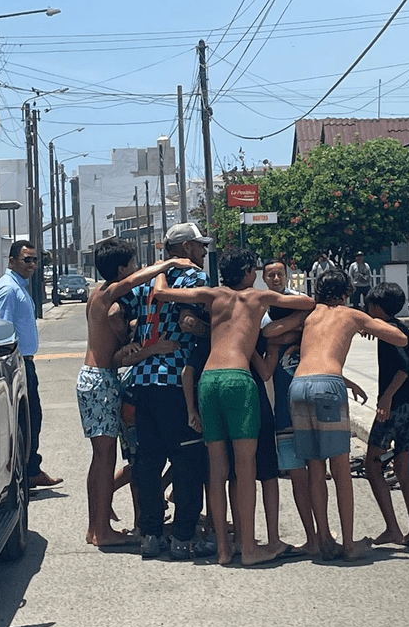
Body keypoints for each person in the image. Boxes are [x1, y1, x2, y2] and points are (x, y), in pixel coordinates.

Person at [153, 247, 316, 566]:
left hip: (209, 380)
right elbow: (307, 303)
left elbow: (161, 294)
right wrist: (281, 329)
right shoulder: (257, 298)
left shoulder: (211, 295)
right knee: (245, 468)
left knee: (217, 470)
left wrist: (164, 265)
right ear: (246, 273)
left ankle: (225, 550)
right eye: (253, 269)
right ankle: (250, 548)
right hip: (238, 379)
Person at [288, 268, 407, 561]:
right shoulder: (350, 314)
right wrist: (369, 323)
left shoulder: (310, 315)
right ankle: (350, 545)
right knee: (340, 469)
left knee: (315, 468)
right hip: (328, 384)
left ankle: (324, 539)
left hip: (299, 385)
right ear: (346, 293)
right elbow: (400, 339)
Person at [118, 222, 215, 560]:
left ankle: (151, 534)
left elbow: (123, 315)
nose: (203, 252)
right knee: (189, 461)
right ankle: (183, 538)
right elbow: (189, 323)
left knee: (148, 462)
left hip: (142, 380)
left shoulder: (146, 282)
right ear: (186, 248)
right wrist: (216, 331)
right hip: (177, 382)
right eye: (199, 246)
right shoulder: (194, 279)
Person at [78, 239, 179, 547]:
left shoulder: (97, 295)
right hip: (101, 379)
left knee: (101, 457)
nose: (136, 269)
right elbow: (137, 280)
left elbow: (116, 325)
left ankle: (96, 526)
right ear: (121, 269)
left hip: (95, 378)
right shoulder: (108, 292)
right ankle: (102, 531)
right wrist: (170, 264)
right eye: (133, 264)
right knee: (105, 456)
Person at [257, 258, 318, 554]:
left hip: (310, 404)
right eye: (271, 274)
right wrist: (288, 334)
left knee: (316, 471)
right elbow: (267, 339)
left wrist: (291, 332)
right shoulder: (262, 313)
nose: (276, 277)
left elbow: (313, 312)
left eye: (280, 273)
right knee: (298, 474)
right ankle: (312, 535)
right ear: (264, 279)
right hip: (283, 407)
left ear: (287, 275)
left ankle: (322, 535)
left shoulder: (302, 303)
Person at [0, 240, 63, 489]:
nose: (32, 265)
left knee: (34, 417)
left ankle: (32, 469)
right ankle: (25, 472)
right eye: (27, 260)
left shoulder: (19, 286)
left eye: (35, 260)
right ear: (12, 261)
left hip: (27, 362)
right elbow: (3, 330)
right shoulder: (8, 290)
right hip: (17, 364)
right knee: (27, 419)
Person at [363, 283, 409, 547]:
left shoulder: (393, 334)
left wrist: (386, 397)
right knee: (402, 467)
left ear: (377, 307)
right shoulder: (398, 328)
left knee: (372, 463)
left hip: (395, 405)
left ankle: (392, 528)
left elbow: (405, 368)